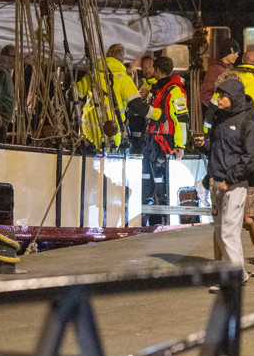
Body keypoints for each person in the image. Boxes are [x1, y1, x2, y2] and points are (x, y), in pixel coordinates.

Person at [205, 76, 254, 283]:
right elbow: (215, 149)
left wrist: (229, 180)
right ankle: (237, 274)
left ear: (234, 98)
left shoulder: (248, 123)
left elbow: (249, 159)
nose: (218, 99)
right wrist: (202, 144)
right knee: (222, 230)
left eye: (223, 96)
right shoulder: (220, 120)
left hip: (234, 184)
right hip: (217, 180)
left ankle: (236, 276)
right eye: (219, 95)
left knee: (229, 231)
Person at [143, 56, 188, 224]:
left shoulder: (175, 91)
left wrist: (180, 145)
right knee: (148, 180)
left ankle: (163, 221)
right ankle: (150, 220)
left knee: (162, 183)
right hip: (151, 143)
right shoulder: (158, 90)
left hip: (164, 143)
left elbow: (182, 120)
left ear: (157, 70)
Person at [77, 43, 147, 149]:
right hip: (110, 137)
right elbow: (137, 105)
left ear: (107, 54)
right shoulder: (124, 79)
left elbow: (75, 94)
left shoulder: (93, 74)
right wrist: (158, 115)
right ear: (122, 59)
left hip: (87, 136)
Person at [200, 38, 241, 116]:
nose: (237, 55)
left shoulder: (231, 69)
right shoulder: (215, 69)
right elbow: (205, 94)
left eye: (237, 53)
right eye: (234, 52)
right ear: (226, 53)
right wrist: (219, 109)